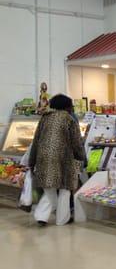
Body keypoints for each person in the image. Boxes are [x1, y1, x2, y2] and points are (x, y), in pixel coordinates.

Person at [29, 94, 86, 226]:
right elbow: (76, 142)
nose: (72, 107)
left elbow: (35, 141)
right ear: (66, 106)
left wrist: (32, 162)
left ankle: (41, 216)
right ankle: (62, 219)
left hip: (43, 158)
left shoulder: (44, 118)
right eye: (71, 105)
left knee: (49, 189)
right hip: (64, 159)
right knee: (65, 189)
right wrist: (81, 157)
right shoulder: (69, 119)